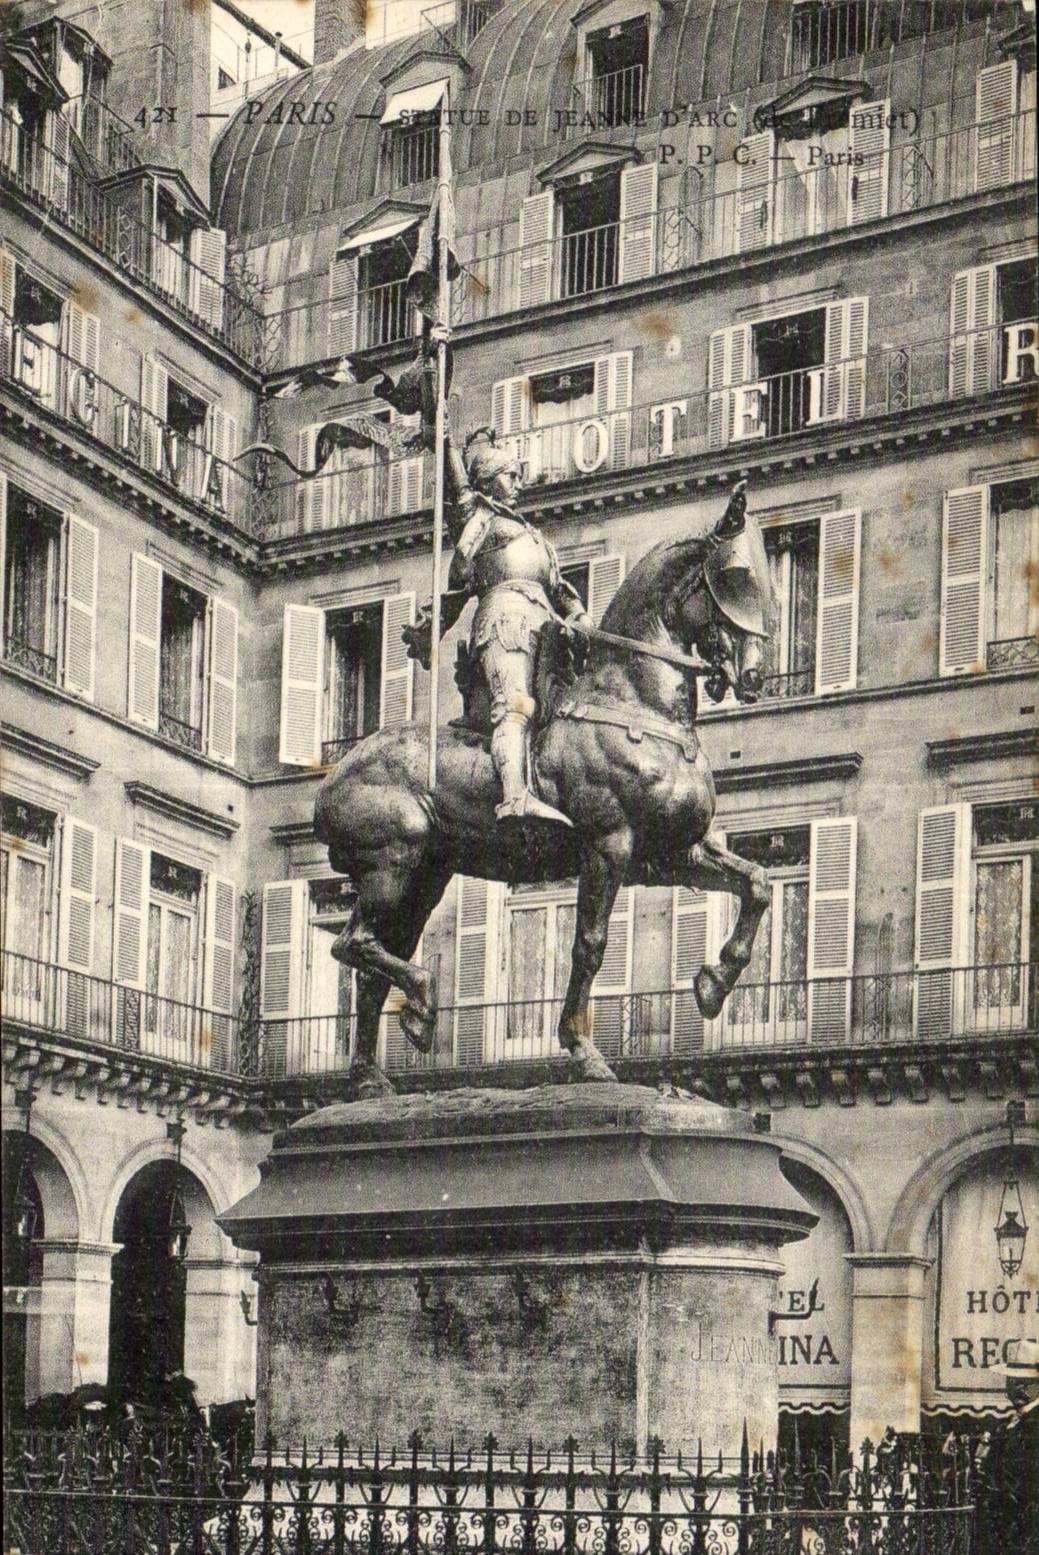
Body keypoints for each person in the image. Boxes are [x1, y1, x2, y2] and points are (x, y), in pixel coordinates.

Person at [403, 427, 591, 827]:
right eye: (510, 476)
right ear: (488, 482)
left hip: (548, 629)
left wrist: (579, 615)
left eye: (519, 476)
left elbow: (560, 589)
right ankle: (514, 797)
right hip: (505, 621)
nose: (519, 484)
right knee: (516, 705)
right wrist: (445, 437)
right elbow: (458, 489)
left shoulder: (535, 536)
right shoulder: (478, 519)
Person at [973, 1336, 1039, 1551]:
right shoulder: (1009, 1424)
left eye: (1026, 1382)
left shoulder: (1034, 1423)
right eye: (1011, 1380)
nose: (1017, 1387)